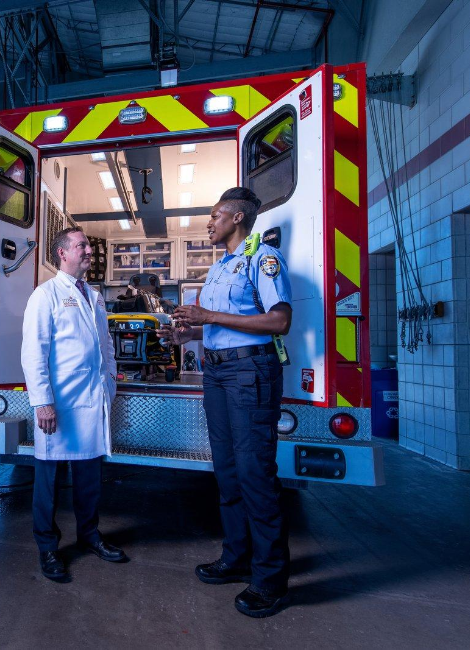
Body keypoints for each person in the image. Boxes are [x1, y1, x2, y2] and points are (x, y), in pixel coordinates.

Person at [158, 187, 292, 618]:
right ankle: (236, 558)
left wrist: (208, 317)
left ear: (236, 218)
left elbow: (279, 321)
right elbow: (215, 326)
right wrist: (185, 333)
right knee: (228, 471)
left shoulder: (262, 260)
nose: (209, 223)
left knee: (255, 473)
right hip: (218, 372)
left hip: (250, 373)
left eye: (215, 216)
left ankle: (270, 579)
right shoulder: (220, 268)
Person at [21, 226, 126, 582]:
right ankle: (47, 547)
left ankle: (90, 535)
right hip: (60, 404)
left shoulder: (94, 295)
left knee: (89, 478)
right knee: (48, 481)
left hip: (92, 401)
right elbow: (34, 352)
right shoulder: (46, 294)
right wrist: (42, 403)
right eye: (82, 246)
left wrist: (109, 381)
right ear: (62, 253)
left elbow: (105, 345)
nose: (89, 252)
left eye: (89, 247)